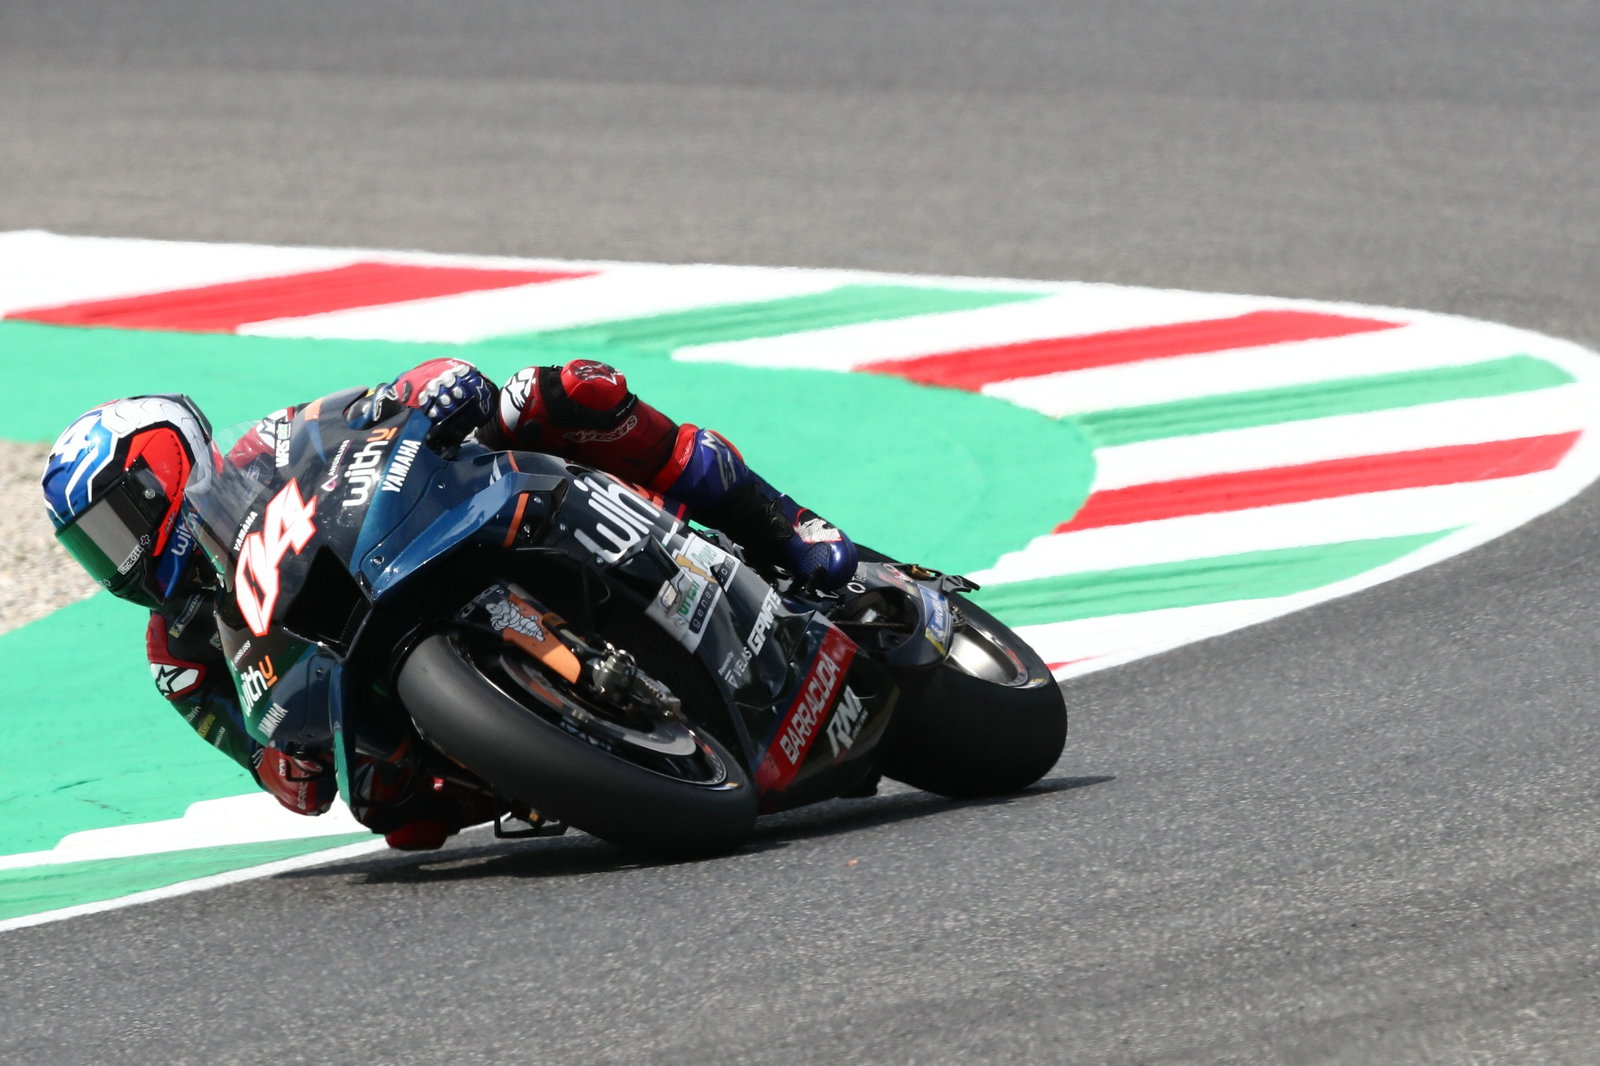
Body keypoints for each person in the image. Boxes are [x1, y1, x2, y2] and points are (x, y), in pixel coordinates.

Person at [40, 358, 857, 850]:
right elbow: (278, 775)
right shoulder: (178, 650)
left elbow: (386, 400)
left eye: (114, 527)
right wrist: (280, 765)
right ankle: (557, 758)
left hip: (428, 532)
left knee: (554, 394)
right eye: (92, 549)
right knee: (401, 821)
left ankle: (778, 523)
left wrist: (428, 394)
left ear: (162, 473)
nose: (116, 559)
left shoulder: (268, 446)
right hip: (365, 683)